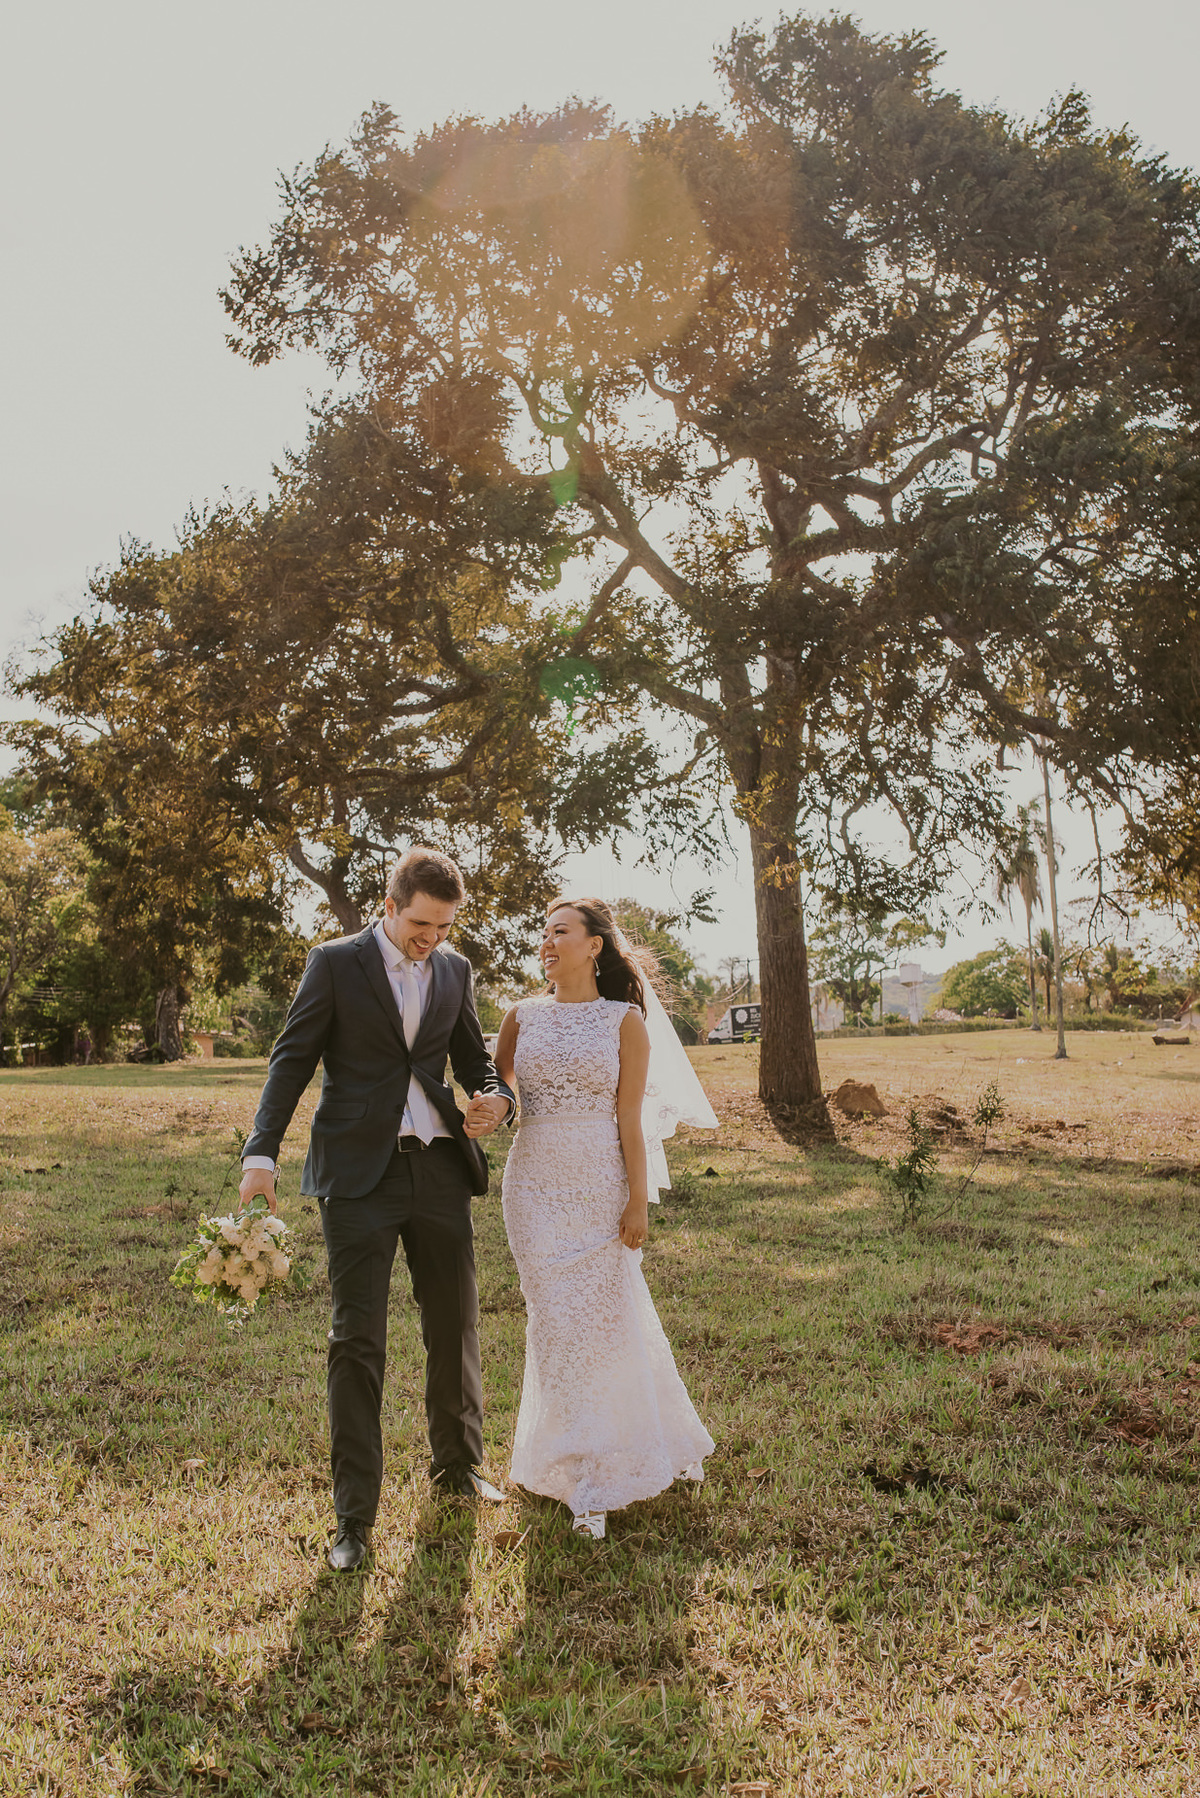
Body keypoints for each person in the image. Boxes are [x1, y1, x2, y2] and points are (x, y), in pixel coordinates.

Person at [239, 847, 516, 1572]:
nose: (433, 941)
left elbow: (473, 1060)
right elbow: (291, 1059)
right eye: (422, 925)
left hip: (441, 1172)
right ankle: (353, 1517)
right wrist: (260, 1153)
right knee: (357, 1340)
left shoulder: (454, 971)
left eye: (444, 928)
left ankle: (458, 1467)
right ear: (389, 908)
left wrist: (499, 1098)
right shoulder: (334, 963)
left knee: (453, 1323)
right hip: (357, 1176)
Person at [494, 896, 716, 1540]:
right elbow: (503, 1094)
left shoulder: (625, 1021)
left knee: (604, 1318)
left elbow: (629, 1120)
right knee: (556, 1321)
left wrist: (637, 1197)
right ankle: (571, 1458)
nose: (547, 941)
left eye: (560, 931)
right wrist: (486, 1110)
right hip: (533, 1184)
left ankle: (606, 1463)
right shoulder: (519, 1017)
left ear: (594, 945)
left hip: (599, 1182)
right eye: (544, 931)